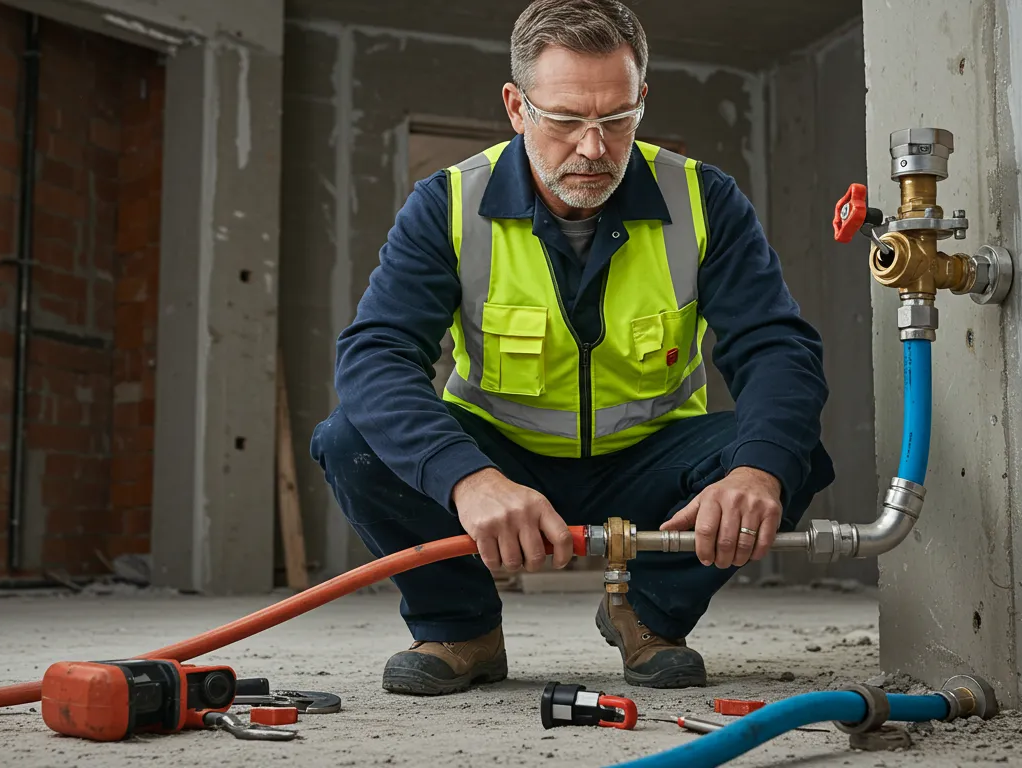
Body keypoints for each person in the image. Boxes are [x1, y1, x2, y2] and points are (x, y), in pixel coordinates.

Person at [310, 0, 834, 695]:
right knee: (351, 439)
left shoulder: (704, 199)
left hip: (651, 459)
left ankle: (646, 612)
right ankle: (459, 627)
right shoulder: (448, 204)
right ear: (516, 107)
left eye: (617, 120)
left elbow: (775, 347)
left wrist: (756, 474)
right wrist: (467, 478)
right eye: (565, 121)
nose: (593, 148)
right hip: (502, 454)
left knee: (784, 449)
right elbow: (375, 356)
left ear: (642, 101)